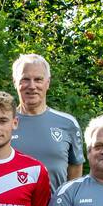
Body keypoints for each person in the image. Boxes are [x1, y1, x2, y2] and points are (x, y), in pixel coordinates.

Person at [9, 54, 84, 191]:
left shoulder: (68, 124)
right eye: (25, 79)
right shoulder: (1, 124)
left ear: (47, 83)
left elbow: (76, 168)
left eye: (38, 79)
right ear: (15, 82)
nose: (32, 86)